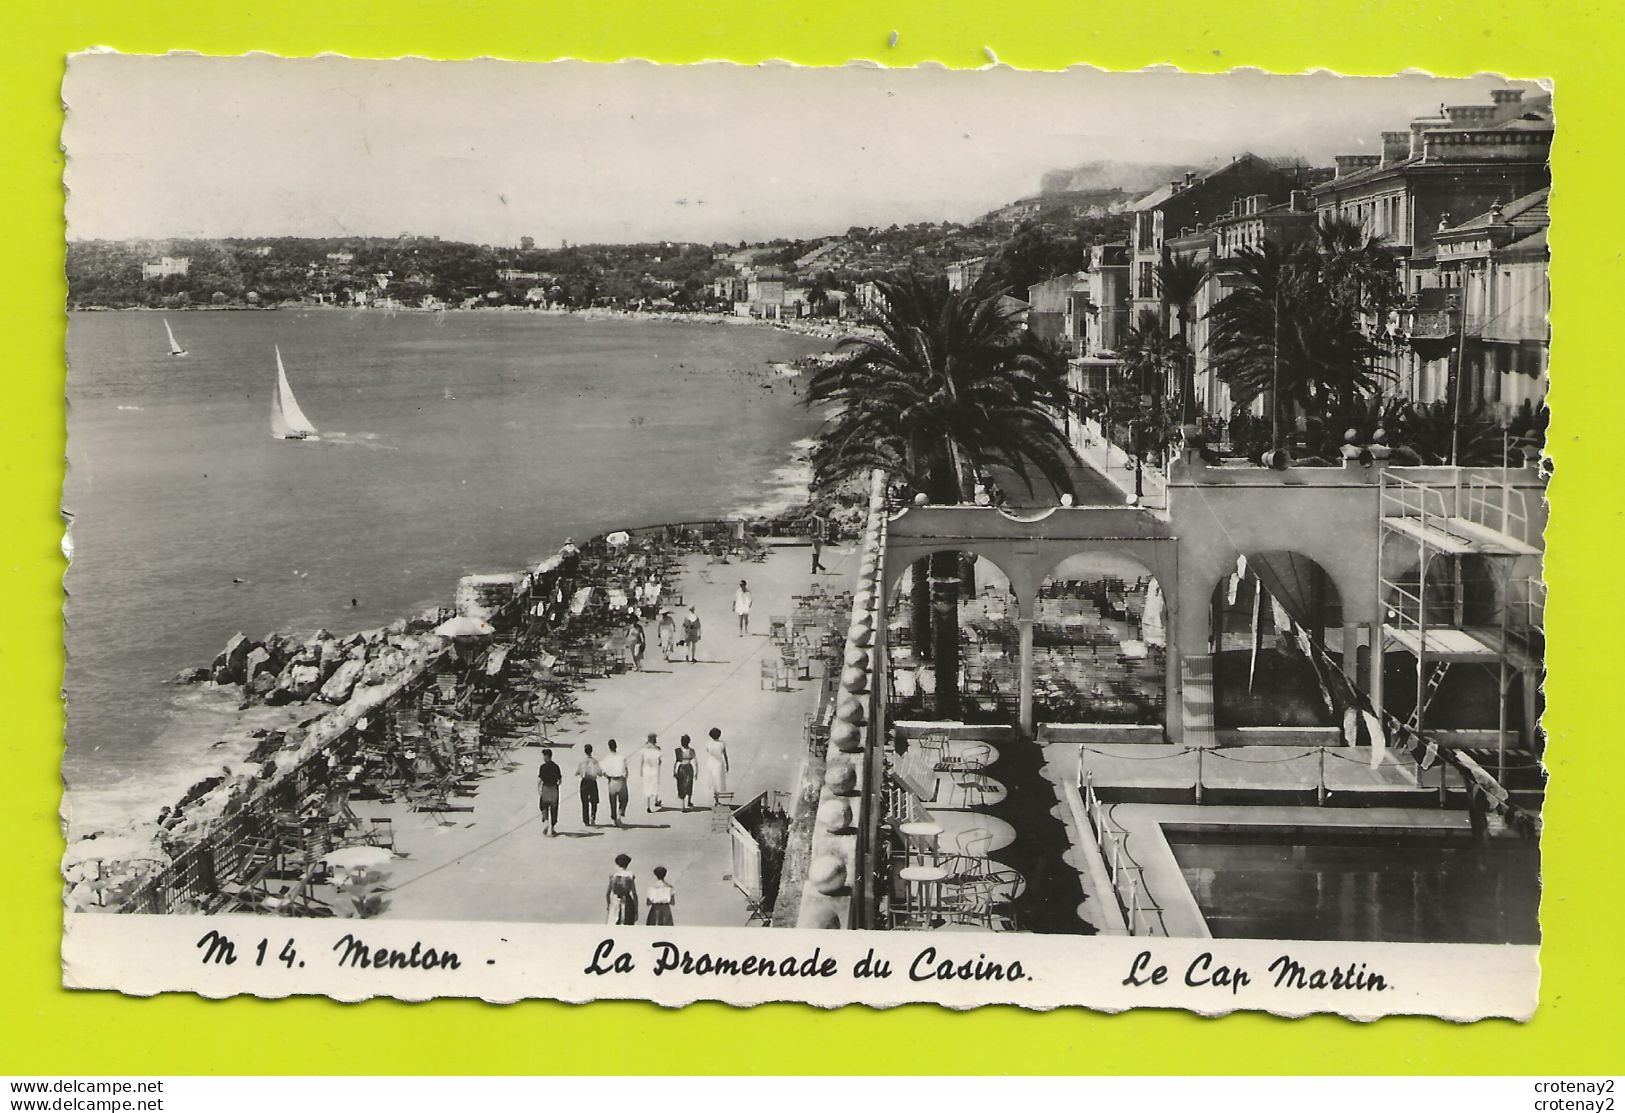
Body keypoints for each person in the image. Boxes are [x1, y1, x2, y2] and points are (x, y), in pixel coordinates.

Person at [600, 739, 629, 827]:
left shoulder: (607, 758)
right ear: (616, 746)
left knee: (612, 802)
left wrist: (608, 778)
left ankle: (614, 819)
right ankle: (619, 816)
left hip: (611, 781)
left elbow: (603, 772)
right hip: (621, 780)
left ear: (609, 747)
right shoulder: (621, 757)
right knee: (624, 800)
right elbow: (626, 771)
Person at [536, 748, 562, 837]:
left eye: (543, 756)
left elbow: (540, 780)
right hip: (554, 788)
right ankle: (553, 828)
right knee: (554, 809)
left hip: (546, 788)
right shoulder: (556, 766)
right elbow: (560, 780)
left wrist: (538, 789)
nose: (543, 757)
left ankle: (546, 821)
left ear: (546, 756)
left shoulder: (543, 767)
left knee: (544, 806)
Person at [575, 743, 602, 827]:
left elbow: (577, 772)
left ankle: (585, 820)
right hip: (592, 782)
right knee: (594, 801)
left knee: (584, 801)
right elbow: (600, 773)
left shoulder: (581, 762)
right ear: (591, 751)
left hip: (584, 782)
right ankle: (593, 816)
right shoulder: (595, 762)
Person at [606, 853, 638, 926]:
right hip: (627, 900)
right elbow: (634, 894)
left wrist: (608, 905)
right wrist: (636, 911)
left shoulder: (613, 875)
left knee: (613, 923)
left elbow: (607, 894)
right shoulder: (630, 876)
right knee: (626, 924)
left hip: (615, 900)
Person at [703, 727, 730, 804]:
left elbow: (707, 750)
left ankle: (716, 799)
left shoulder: (708, 742)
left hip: (711, 762)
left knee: (713, 781)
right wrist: (727, 764)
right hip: (719, 763)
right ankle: (717, 799)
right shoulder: (722, 743)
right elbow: (725, 755)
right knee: (718, 780)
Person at [638, 733, 663, 812]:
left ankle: (648, 805)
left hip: (646, 769)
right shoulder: (657, 748)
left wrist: (641, 770)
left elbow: (642, 760)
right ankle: (656, 800)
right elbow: (659, 761)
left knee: (647, 786)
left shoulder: (644, 748)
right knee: (655, 785)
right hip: (654, 769)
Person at [673, 734, 697, 811]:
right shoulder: (689, 750)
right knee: (685, 786)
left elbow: (676, 762)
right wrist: (696, 772)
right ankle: (684, 804)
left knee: (685, 785)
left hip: (683, 768)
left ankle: (686, 803)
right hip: (687, 768)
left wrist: (674, 771)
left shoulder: (681, 750)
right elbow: (695, 762)